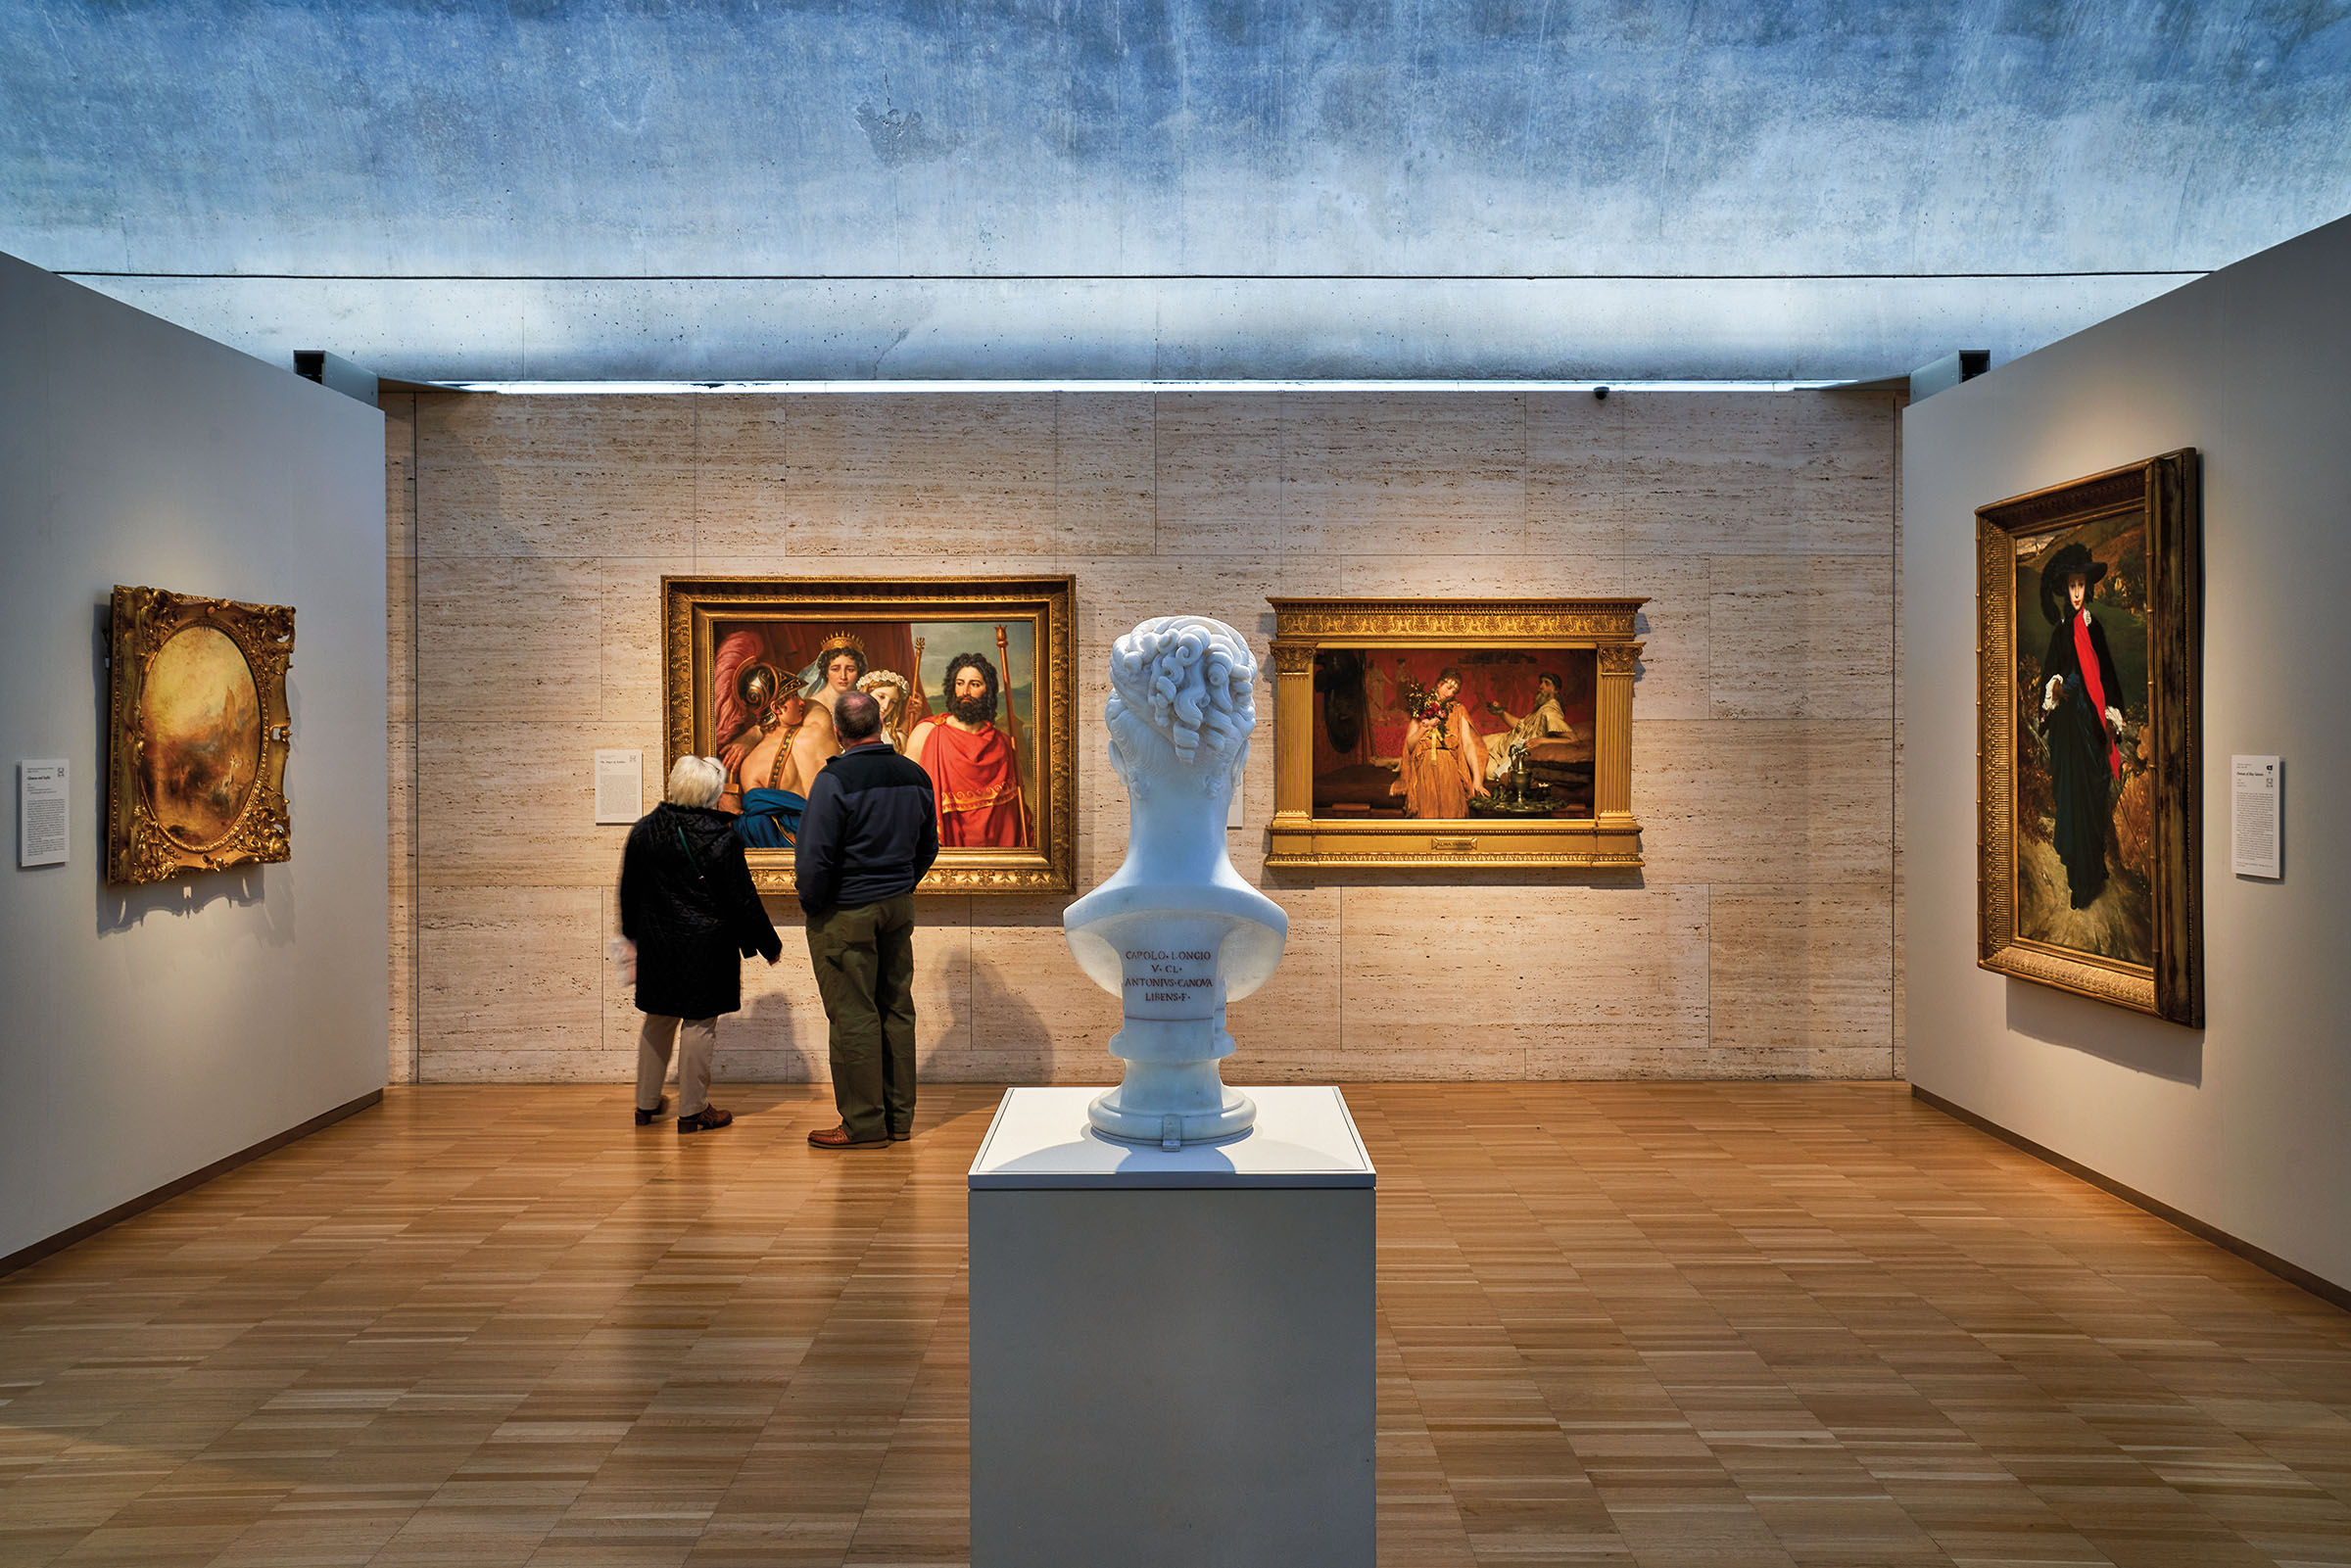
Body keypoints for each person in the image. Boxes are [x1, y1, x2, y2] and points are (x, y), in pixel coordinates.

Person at [794, 689, 939, 1149]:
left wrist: (816, 906)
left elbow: (814, 858)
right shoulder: (914, 774)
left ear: (838, 731)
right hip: (897, 906)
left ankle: (863, 1124)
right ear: (880, 722)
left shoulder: (833, 780)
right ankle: (899, 1120)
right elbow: (928, 846)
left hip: (847, 910)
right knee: (897, 1009)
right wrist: (901, 882)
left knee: (854, 1015)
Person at [618, 755, 783, 1133]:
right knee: (698, 1023)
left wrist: (631, 936)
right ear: (711, 793)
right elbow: (742, 898)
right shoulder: (721, 837)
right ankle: (693, 1111)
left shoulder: (644, 831)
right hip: (707, 945)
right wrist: (768, 944)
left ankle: (645, 1105)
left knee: (658, 1019)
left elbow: (629, 891)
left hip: (658, 942)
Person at [2038, 542, 2128, 909]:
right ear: (2066, 589)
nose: (2077, 593)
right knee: (2074, 801)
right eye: (2072, 586)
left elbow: (2106, 676)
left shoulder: (2095, 628)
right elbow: (2050, 675)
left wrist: (2110, 718)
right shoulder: (2061, 633)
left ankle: (2095, 868)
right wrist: (2056, 687)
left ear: (2087, 588)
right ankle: (2080, 881)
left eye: (2081, 586)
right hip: (2069, 734)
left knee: (2093, 800)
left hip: (2091, 728)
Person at [735, 635, 865, 847]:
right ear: (777, 708)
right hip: (844, 833)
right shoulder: (818, 716)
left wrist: (753, 734)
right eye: (794, 695)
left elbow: (760, 820)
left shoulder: (749, 767)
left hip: (798, 847)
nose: (802, 701)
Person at [906, 646, 1032, 846]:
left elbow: (1011, 817)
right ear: (952, 687)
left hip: (995, 853)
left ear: (987, 690)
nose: (965, 692)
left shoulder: (1002, 744)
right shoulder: (928, 733)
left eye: (975, 684)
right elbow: (903, 792)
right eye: (960, 683)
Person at [1392, 668, 1487, 818]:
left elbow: (1468, 745)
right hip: (1424, 765)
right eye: (1448, 688)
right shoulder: (1421, 705)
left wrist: (1477, 781)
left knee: (1452, 812)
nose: (1450, 694)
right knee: (1427, 814)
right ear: (1438, 684)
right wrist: (1425, 727)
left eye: (1454, 691)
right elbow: (1410, 745)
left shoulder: (1458, 710)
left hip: (1449, 765)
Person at [1483, 670, 1574, 781]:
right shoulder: (1540, 710)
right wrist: (1501, 712)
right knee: (1468, 744)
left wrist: (1541, 741)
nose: (1541, 686)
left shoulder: (1550, 712)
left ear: (1556, 691)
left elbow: (1572, 739)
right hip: (1502, 741)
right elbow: (1520, 726)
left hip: (1510, 753)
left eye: (1547, 683)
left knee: (1481, 765)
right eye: (1541, 682)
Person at [857, 668, 915, 750]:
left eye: (893, 702)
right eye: (881, 697)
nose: (886, 706)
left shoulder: (896, 738)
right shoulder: (846, 728)